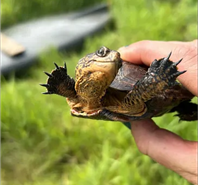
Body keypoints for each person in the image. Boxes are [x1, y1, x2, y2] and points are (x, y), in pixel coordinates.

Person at [118, 40, 198, 185]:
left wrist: (155, 80)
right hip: (143, 97)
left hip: (148, 92)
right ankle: (181, 105)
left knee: (139, 99)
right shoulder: (83, 97)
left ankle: (160, 85)